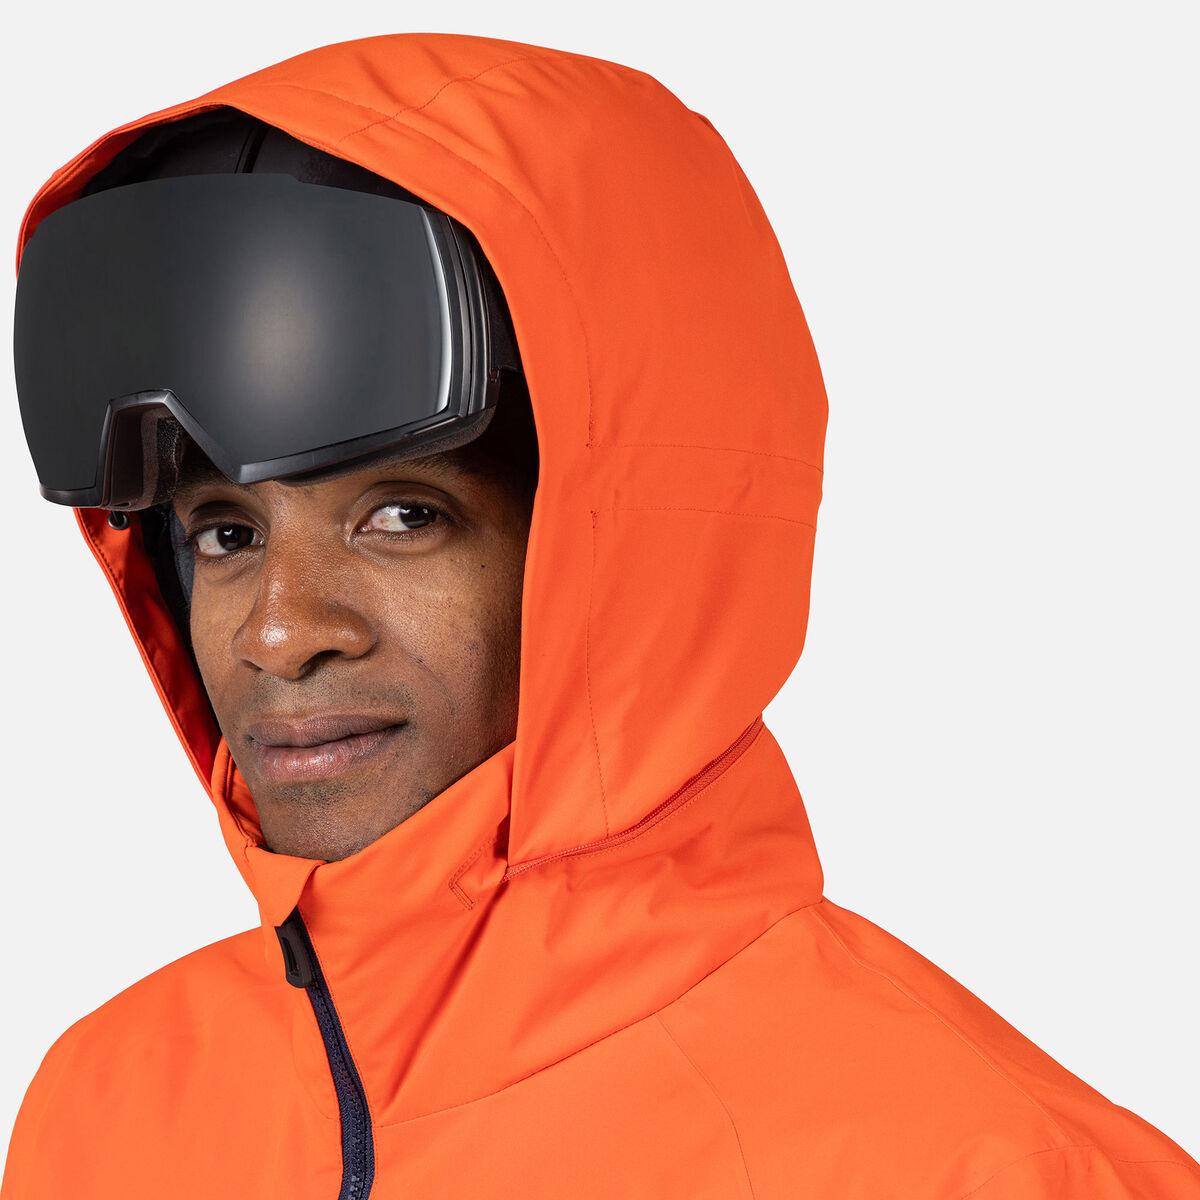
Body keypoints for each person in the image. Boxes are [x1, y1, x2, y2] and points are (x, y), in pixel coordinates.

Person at [3, 31, 1197, 1200]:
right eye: (226, 533)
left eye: (403, 516)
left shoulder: (980, 1169)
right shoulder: (104, 1113)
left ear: (631, 558)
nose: (278, 631)